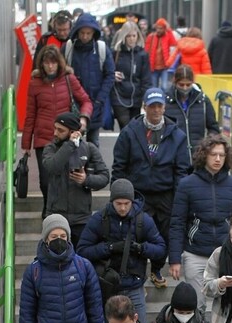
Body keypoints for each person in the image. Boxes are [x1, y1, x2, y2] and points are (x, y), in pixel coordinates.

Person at [112, 87, 191, 289]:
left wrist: (179, 197)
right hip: (138, 194)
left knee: (163, 236)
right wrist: (119, 193)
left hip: (165, 195)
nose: (156, 110)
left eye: (159, 106)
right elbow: (119, 166)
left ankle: (156, 269)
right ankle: (137, 274)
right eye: (151, 106)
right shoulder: (130, 132)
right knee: (136, 235)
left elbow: (182, 170)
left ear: (164, 107)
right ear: (144, 107)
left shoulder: (177, 135)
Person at [168, 134, 232, 312]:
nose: (218, 159)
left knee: (227, 306)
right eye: (213, 154)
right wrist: (174, 259)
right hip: (195, 254)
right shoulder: (187, 184)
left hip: (226, 254)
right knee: (198, 306)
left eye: (222, 155)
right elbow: (177, 222)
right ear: (204, 155)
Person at [77, 179, 166, 323]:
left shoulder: (143, 220)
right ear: (112, 201)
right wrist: (109, 248)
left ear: (132, 201)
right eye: (119, 204)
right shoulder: (100, 219)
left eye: (127, 203)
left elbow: (161, 249)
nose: (123, 208)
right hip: (107, 287)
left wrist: (141, 248)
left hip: (134, 286)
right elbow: (82, 251)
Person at [18, 214, 105, 323]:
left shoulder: (83, 266)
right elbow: (26, 317)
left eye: (63, 236)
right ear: (46, 239)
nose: (59, 240)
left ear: (68, 237)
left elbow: (95, 312)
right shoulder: (33, 271)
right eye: (53, 236)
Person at [21, 45, 92, 218]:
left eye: (53, 62)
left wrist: (83, 118)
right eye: (46, 63)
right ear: (42, 64)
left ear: (58, 63)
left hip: (66, 138)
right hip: (44, 137)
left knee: (66, 178)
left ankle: (61, 214)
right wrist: (26, 144)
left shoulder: (68, 79)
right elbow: (30, 114)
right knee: (46, 181)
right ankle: (48, 210)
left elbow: (86, 101)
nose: (50, 66)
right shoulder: (35, 83)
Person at [42, 112, 110, 248]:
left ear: (73, 132)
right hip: (56, 217)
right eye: (55, 128)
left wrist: (86, 180)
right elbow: (53, 167)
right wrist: (70, 145)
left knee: (81, 257)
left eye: (60, 130)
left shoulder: (89, 149)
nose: (55, 133)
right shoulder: (51, 148)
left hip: (81, 219)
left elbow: (105, 177)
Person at [63, 12, 115, 147]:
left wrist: (100, 99)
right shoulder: (69, 48)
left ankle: (92, 168)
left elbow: (110, 75)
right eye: (82, 33)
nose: (85, 36)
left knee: (93, 143)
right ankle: (78, 168)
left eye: (88, 33)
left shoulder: (101, 49)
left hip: (96, 102)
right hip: (73, 103)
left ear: (94, 33)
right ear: (77, 32)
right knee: (74, 143)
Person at [165, 65, 219, 159]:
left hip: (199, 156)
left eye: (188, 84)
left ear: (193, 82)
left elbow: (213, 127)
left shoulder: (203, 101)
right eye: (181, 85)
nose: (185, 88)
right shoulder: (166, 102)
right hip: (175, 157)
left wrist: (208, 145)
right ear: (175, 82)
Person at [110, 21, 152, 130]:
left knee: (135, 129)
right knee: (125, 127)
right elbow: (105, 71)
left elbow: (146, 78)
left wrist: (145, 99)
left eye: (134, 35)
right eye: (128, 36)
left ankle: (129, 147)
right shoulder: (115, 53)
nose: (131, 39)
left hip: (136, 97)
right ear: (124, 36)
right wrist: (112, 75)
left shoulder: (142, 55)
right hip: (119, 95)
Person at [144, 18, 177, 91]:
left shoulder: (167, 36)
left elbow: (174, 43)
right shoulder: (151, 37)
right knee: (154, 87)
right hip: (153, 67)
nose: (158, 30)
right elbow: (146, 50)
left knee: (164, 87)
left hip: (164, 67)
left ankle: (163, 101)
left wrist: (169, 30)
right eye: (157, 28)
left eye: (161, 28)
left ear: (164, 29)